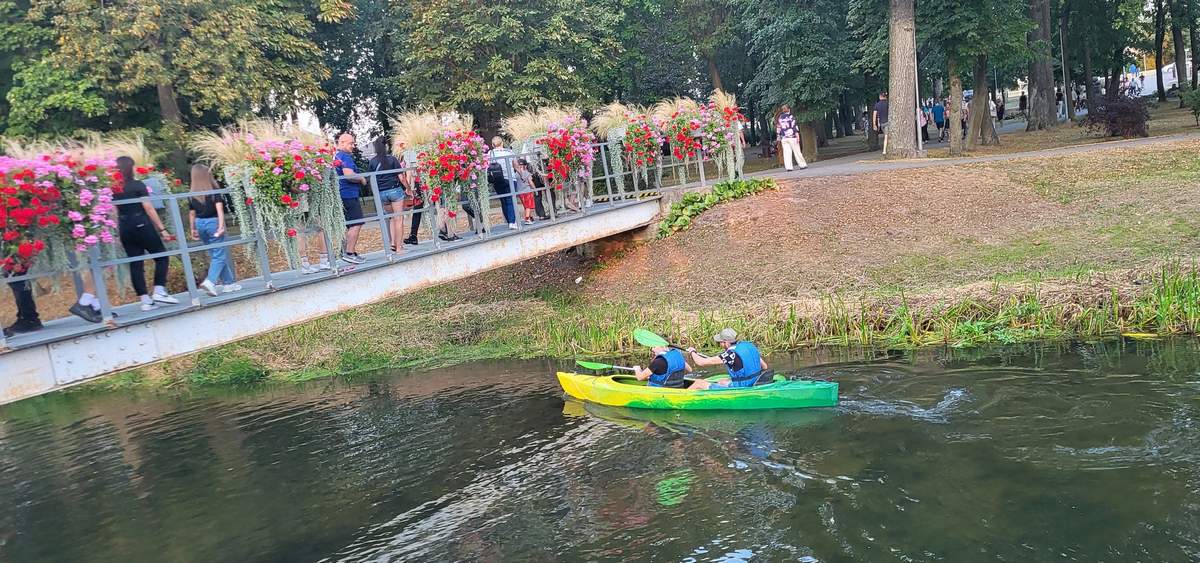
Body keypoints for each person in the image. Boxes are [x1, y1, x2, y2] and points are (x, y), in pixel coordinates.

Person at [113, 155, 178, 311]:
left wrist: (117, 233)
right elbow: (148, 208)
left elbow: (113, 212)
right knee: (161, 256)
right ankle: (159, 290)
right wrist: (162, 229)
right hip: (141, 224)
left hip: (125, 226)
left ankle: (145, 300)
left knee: (135, 264)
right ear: (131, 168)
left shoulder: (113, 189)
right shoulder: (137, 185)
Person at [187, 164, 239, 296]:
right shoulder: (214, 191)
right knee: (219, 255)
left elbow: (192, 214)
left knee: (216, 254)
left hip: (199, 223)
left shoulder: (192, 194)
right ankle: (210, 282)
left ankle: (229, 283)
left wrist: (192, 228)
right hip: (213, 223)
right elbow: (219, 211)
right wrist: (221, 226)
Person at [686, 328, 770, 390]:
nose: (720, 345)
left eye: (720, 343)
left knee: (699, 383)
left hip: (744, 386)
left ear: (726, 342)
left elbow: (701, 362)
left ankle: (683, 397)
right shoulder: (749, 346)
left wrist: (692, 352)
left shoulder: (730, 354)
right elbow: (764, 366)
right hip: (756, 380)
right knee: (721, 382)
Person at [368, 136, 408, 254]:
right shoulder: (392, 159)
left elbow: (371, 179)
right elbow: (401, 177)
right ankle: (399, 248)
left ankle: (392, 244)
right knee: (398, 219)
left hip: (381, 193)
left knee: (391, 218)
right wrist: (408, 189)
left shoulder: (372, 162)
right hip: (394, 191)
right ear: (386, 146)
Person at [333, 133, 367, 265]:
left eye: (353, 143)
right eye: (350, 143)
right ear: (341, 143)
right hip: (349, 194)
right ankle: (349, 253)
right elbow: (348, 174)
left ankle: (347, 251)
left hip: (342, 194)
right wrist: (362, 178)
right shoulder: (344, 156)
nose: (353, 146)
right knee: (356, 223)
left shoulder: (336, 156)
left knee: (349, 225)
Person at [487, 137, 519, 230]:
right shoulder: (509, 152)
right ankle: (512, 222)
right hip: (510, 178)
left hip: (498, 179)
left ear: (493, 145)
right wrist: (521, 175)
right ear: (502, 143)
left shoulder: (490, 153)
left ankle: (509, 221)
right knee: (510, 200)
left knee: (503, 201)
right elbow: (516, 165)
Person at [776, 105, 807, 171]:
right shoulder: (791, 117)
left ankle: (789, 167)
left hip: (784, 138)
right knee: (797, 151)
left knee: (786, 153)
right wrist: (798, 136)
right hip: (792, 137)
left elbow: (778, 128)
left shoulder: (780, 118)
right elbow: (794, 127)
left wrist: (778, 138)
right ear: (789, 109)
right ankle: (802, 165)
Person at [514, 158, 537, 225]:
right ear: (526, 166)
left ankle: (530, 217)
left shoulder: (516, 174)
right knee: (529, 206)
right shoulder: (527, 173)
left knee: (525, 206)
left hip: (520, 192)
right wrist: (535, 189)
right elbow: (531, 182)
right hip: (528, 191)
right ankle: (527, 219)